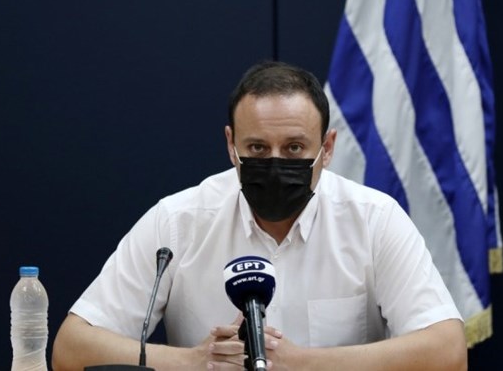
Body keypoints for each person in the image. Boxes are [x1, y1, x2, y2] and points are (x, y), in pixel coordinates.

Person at [52, 61, 467, 370]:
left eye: (294, 148)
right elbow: (71, 348)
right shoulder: (178, 221)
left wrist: (302, 364)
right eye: (257, 148)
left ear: (327, 149)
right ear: (231, 145)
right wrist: (194, 363)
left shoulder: (374, 220)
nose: (274, 163)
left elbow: (448, 352)